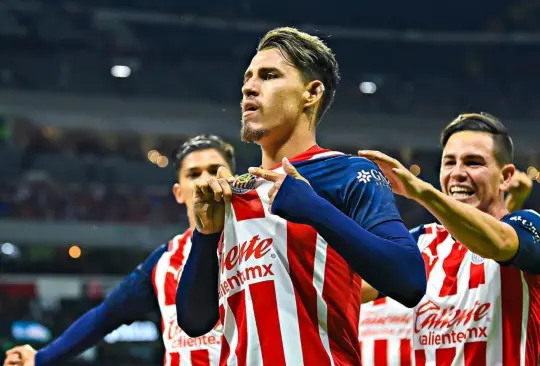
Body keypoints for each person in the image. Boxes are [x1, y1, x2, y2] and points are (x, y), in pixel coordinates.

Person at [175, 27, 427, 366]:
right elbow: (194, 322)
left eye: (269, 76)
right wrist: (205, 237)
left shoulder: (347, 173)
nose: (249, 87)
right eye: (248, 78)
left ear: (311, 93)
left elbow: (410, 279)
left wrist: (313, 209)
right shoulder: (233, 195)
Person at [4, 135, 235, 366]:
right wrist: (40, 358)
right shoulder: (163, 261)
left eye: (215, 170)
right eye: (193, 174)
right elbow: (104, 317)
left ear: (232, 181)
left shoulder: (260, 243)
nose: (205, 180)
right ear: (177, 192)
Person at [358, 112, 540, 365]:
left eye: (473, 162)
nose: (458, 173)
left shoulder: (529, 225)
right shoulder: (421, 242)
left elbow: (499, 244)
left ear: (505, 176)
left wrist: (422, 191)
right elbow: (351, 288)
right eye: (449, 162)